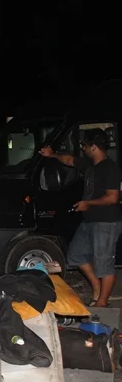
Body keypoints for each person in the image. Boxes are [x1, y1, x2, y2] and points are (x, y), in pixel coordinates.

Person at [39, 128, 122, 307]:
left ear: (93, 146)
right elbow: (69, 160)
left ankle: (102, 303)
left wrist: (88, 203)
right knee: (76, 255)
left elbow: (113, 197)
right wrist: (52, 155)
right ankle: (97, 289)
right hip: (90, 220)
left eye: (84, 145)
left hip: (106, 222)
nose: (82, 148)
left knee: (104, 263)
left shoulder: (110, 168)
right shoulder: (90, 165)